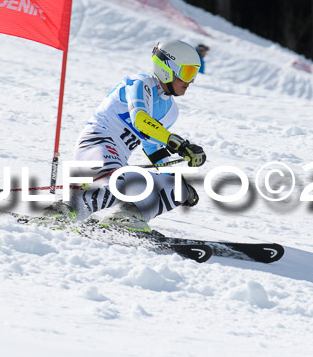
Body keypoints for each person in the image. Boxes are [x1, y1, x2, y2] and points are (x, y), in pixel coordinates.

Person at [43, 40, 207, 231]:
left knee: (177, 186)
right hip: (96, 145)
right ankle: (63, 211)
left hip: (116, 162)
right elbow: (140, 119)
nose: (190, 81)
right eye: (187, 73)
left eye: (194, 74)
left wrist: (171, 177)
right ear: (167, 68)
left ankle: (126, 218)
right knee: (115, 184)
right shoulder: (140, 84)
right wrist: (180, 145)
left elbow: (151, 146)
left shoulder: (171, 110)